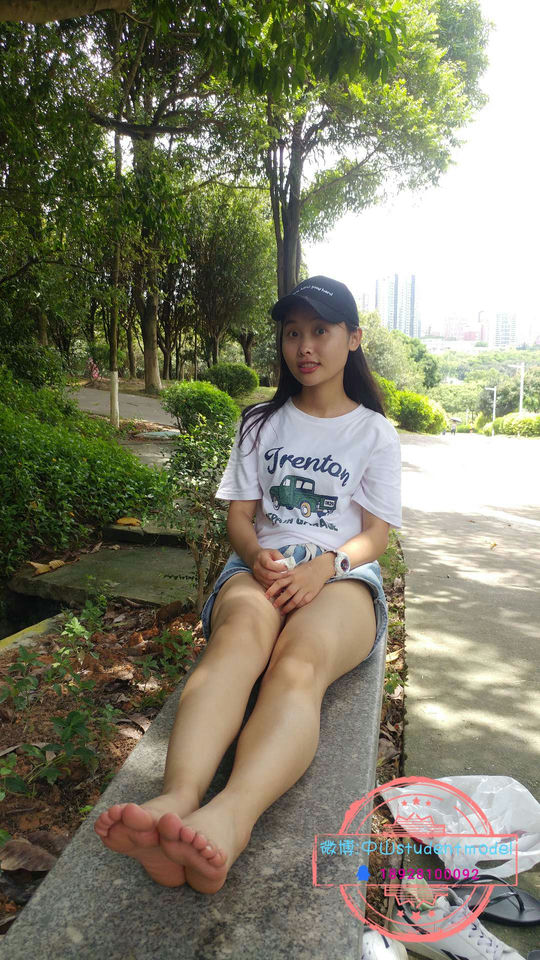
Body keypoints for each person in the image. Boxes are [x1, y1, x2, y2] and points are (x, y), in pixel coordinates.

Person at [94, 275, 402, 896]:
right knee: (236, 640)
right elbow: (240, 517)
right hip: (261, 568)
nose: (304, 346)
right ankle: (178, 798)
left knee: (299, 662)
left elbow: (376, 536)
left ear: (352, 338)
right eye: (292, 333)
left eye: (320, 331)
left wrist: (327, 566)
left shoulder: (374, 432)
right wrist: (257, 554)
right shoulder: (261, 422)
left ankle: (230, 818)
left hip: (342, 576)